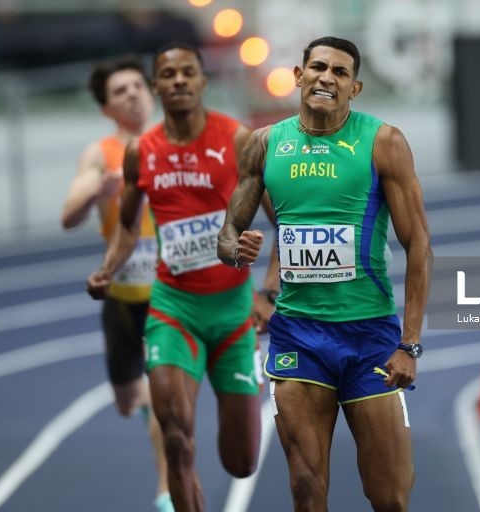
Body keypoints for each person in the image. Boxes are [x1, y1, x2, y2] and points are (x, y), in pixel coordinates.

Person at [218, 36, 433, 511]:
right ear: (299, 75)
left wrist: (409, 343)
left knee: (389, 495)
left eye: (340, 73)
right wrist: (238, 252)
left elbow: (418, 244)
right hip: (298, 334)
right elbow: (229, 232)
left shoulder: (383, 142)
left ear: (354, 89)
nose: (326, 78)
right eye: (318, 67)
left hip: (369, 336)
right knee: (305, 485)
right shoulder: (265, 144)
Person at [86, 43, 278, 512]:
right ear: (158, 86)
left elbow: (284, 221)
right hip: (173, 310)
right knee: (175, 437)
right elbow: (130, 224)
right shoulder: (141, 152)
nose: (177, 81)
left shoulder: (237, 140)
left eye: (187, 72)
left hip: (233, 313)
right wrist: (108, 268)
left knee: (241, 462)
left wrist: (269, 293)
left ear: (202, 81)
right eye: (167, 74)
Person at [60, 55, 173, 512]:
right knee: (129, 402)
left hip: (170, 295)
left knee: (165, 393)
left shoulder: (175, 142)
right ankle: (145, 399)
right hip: (124, 298)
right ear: (107, 108)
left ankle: (167, 493)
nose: (131, 94)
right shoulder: (100, 154)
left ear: (151, 93)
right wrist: (96, 192)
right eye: (119, 91)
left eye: (136, 87)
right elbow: (68, 216)